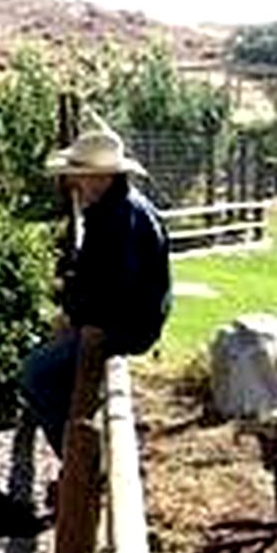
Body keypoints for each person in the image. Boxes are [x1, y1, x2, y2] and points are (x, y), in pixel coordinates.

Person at [20, 126, 172, 455]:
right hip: (123, 320)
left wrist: (73, 317)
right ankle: (80, 451)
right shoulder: (118, 209)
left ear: (102, 178)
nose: (74, 183)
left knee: (36, 376)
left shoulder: (118, 218)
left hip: (123, 327)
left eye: (80, 175)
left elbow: (115, 290)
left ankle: (80, 459)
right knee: (52, 369)